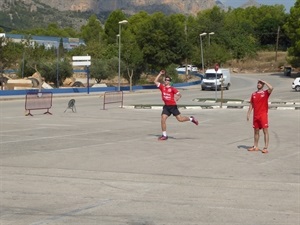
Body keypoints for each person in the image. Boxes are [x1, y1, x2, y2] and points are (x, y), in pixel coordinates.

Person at [154, 70, 198, 140]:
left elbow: (179, 94)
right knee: (163, 119)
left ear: (169, 81)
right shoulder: (162, 87)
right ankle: (164, 135)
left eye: (168, 80)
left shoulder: (172, 89)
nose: (166, 81)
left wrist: (178, 97)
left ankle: (191, 119)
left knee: (180, 119)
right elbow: (155, 81)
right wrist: (160, 74)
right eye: (165, 80)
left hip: (173, 107)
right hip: (166, 107)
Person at [247, 79, 273, 153]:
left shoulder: (265, 93)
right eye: (258, 83)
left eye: (260, 83)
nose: (258, 84)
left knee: (265, 131)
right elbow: (251, 104)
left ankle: (265, 147)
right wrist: (248, 113)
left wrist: (265, 81)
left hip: (263, 115)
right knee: (256, 131)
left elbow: (271, 88)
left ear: (263, 85)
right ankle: (255, 146)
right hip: (256, 115)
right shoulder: (254, 94)